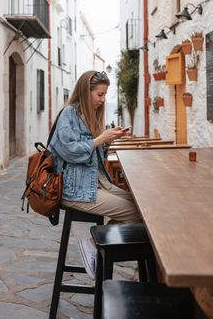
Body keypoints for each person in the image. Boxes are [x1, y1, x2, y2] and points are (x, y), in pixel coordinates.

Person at [49, 70, 142, 279]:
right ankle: (95, 247)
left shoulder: (90, 115)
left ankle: (95, 247)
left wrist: (107, 141)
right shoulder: (69, 114)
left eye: (105, 95)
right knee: (136, 213)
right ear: (85, 92)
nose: (103, 99)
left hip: (94, 183)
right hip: (74, 189)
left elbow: (93, 156)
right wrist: (100, 139)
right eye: (99, 94)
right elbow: (69, 151)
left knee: (141, 206)